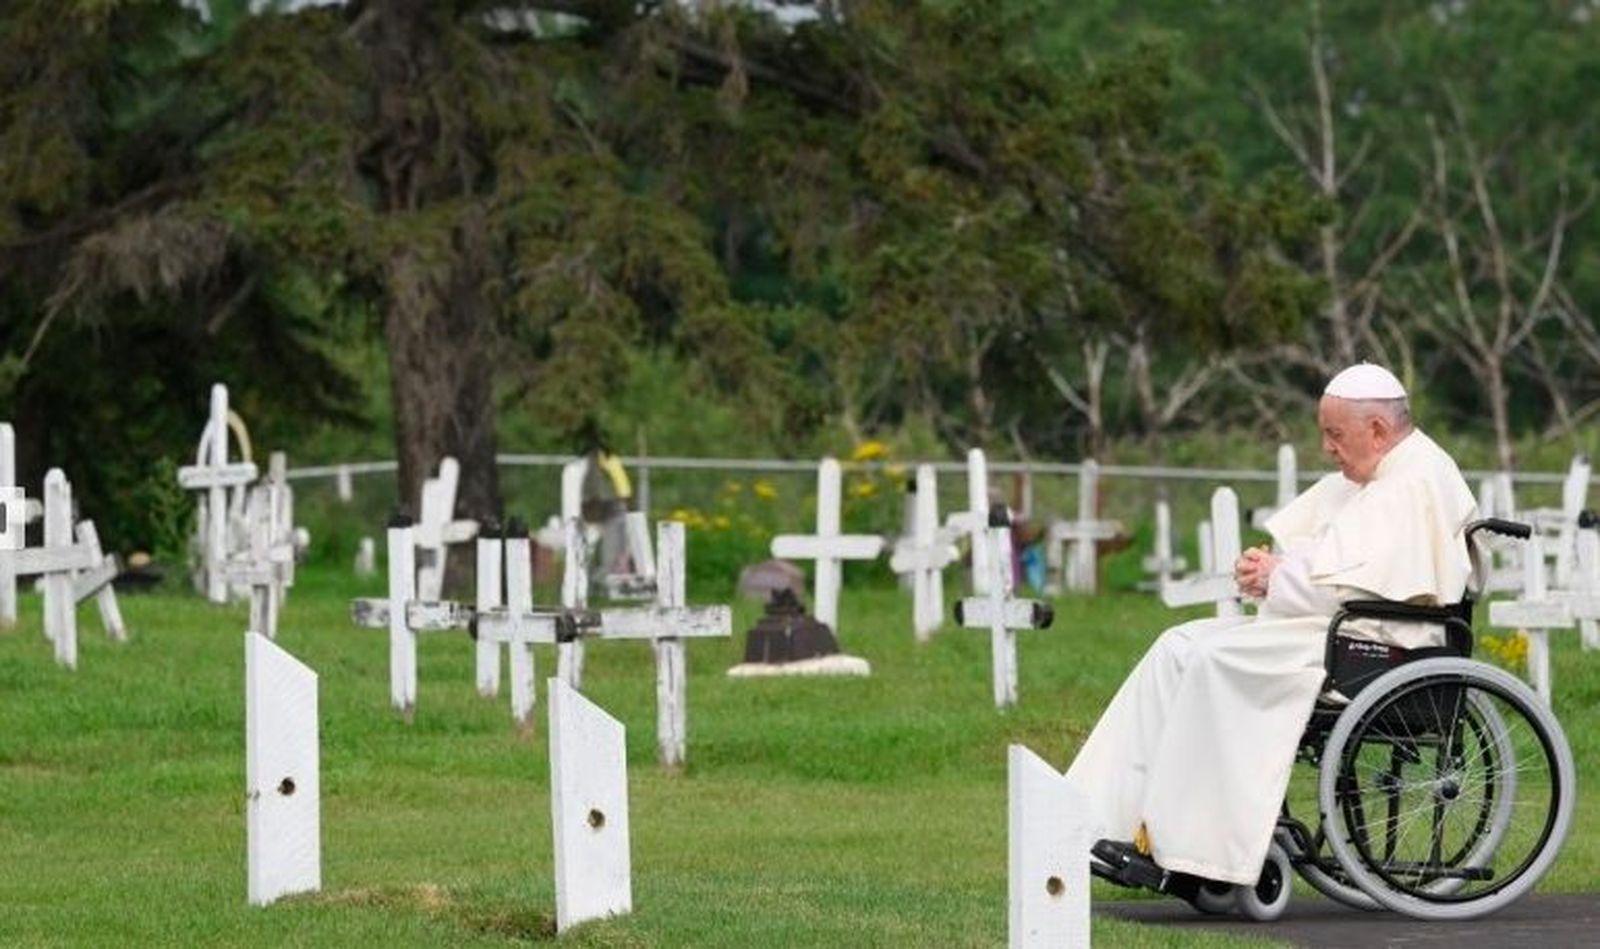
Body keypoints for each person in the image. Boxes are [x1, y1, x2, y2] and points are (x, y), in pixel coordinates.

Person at [1068, 363, 1477, 896]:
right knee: (1180, 644)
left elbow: (1368, 588)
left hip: (1381, 643)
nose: (1327, 448)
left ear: (1377, 429)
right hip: (1343, 629)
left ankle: (1190, 851)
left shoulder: (1415, 479)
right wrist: (1273, 569)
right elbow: (1337, 562)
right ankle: (1089, 820)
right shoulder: (1379, 473)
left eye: (1335, 434)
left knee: (1215, 661)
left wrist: (1278, 578)